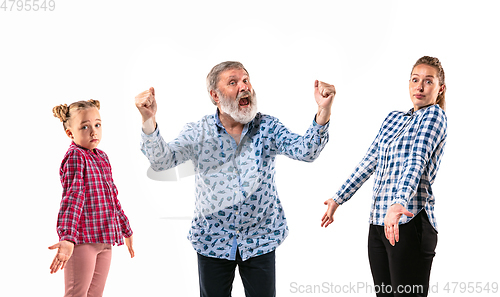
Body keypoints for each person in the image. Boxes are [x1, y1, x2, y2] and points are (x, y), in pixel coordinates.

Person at [135, 61, 336, 297]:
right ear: (215, 96)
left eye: (246, 80)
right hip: (212, 240)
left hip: (260, 238)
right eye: (233, 82)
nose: (244, 87)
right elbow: (162, 162)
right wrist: (148, 120)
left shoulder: (267, 127)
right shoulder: (199, 131)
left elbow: (306, 151)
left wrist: (324, 111)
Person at [321, 56, 447, 297]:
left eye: (428, 81)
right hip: (378, 222)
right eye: (415, 80)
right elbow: (369, 161)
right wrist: (338, 198)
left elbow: (416, 160)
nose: (419, 87)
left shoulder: (434, 116)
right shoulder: (393, 118)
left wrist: (398, 203)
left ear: (440, 89)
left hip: (410, 223)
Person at [49, 99, 135, 297]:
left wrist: (126, 230)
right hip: (83, 241)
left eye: (97, 124)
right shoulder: (75, 157)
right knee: (76, 294)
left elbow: (112, 198)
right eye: (85, 127)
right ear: (70, 133)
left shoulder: (102, 157)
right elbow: (72, 197)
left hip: (105, 239)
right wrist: (67, 237)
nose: (93, 131)